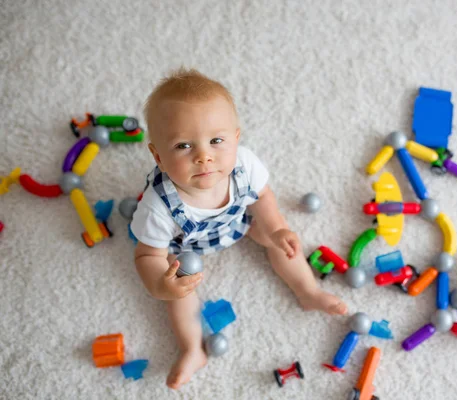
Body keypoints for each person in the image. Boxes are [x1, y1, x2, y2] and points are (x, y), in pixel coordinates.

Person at [131, 68, 348, 389]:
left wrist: (275, 228)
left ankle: (308, 291)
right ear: (158, 155)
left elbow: (262, 196)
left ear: (236, 137)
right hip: (184, 248)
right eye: (183, 146)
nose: (204, 156)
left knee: (282, 244)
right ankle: (192, 349)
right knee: (179, 293)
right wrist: (159, 285)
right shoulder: (157, 206)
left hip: (238, 224)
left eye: (216, 141)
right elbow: (146, 254)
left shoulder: (244, 165)